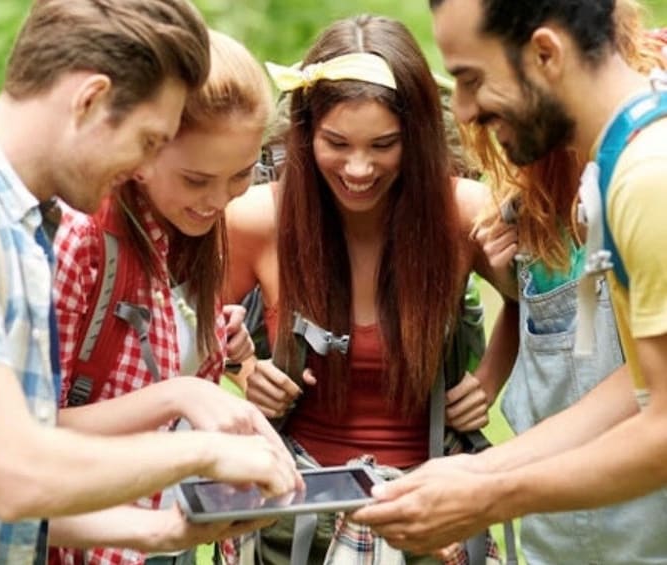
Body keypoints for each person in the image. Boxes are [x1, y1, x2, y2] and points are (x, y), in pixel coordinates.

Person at [0, 1, 299, 563]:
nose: (141, 170)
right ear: (91, 100)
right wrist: (202, 452)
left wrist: (161, 532)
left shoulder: (19, 229)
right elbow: (14, 474)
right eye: (149, 141)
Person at [352, 0, 667, 556]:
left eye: (472, 79)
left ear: (546, 53)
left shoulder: (650, 180)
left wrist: (490, 498)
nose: (466, 111)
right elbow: (642, 387)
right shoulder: (619, 166)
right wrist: (475, 474)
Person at [225, 14, 514, 564]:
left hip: (433, 510)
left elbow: (543, 301)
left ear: (418, 139)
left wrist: (490, 376)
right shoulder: (258, 220)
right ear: (306, 133)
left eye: (384, 145)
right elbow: (189, 323)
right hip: (291, 517)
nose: (359, 168)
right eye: (337, 143)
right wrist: (245, 370)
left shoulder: (461, 214)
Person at [48, 29, 273, 565]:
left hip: (166, 528)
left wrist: (212, 339)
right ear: (147, 147)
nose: (218, 200)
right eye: (197, 179)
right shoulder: (81, 238)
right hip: (88, 537)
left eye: (242, 175)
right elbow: (29, 429)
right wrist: (179, 395)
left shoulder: (192, 227)